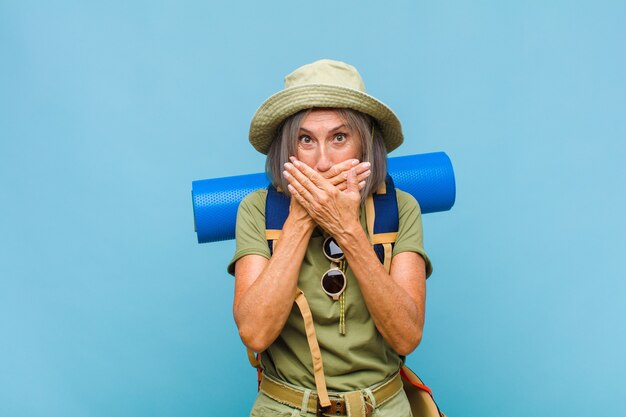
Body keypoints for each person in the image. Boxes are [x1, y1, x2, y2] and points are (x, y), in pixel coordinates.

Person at [228, 59, 433, 417]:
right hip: (285, 408)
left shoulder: (401, 208)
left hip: (384, 407)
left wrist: (348, 231)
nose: (322, 162)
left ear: (365, 145)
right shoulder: (256, 209)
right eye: (306, 140)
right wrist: (301, 221)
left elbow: (406, 337)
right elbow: (255, 334)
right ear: (287, 151)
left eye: (339, 138)